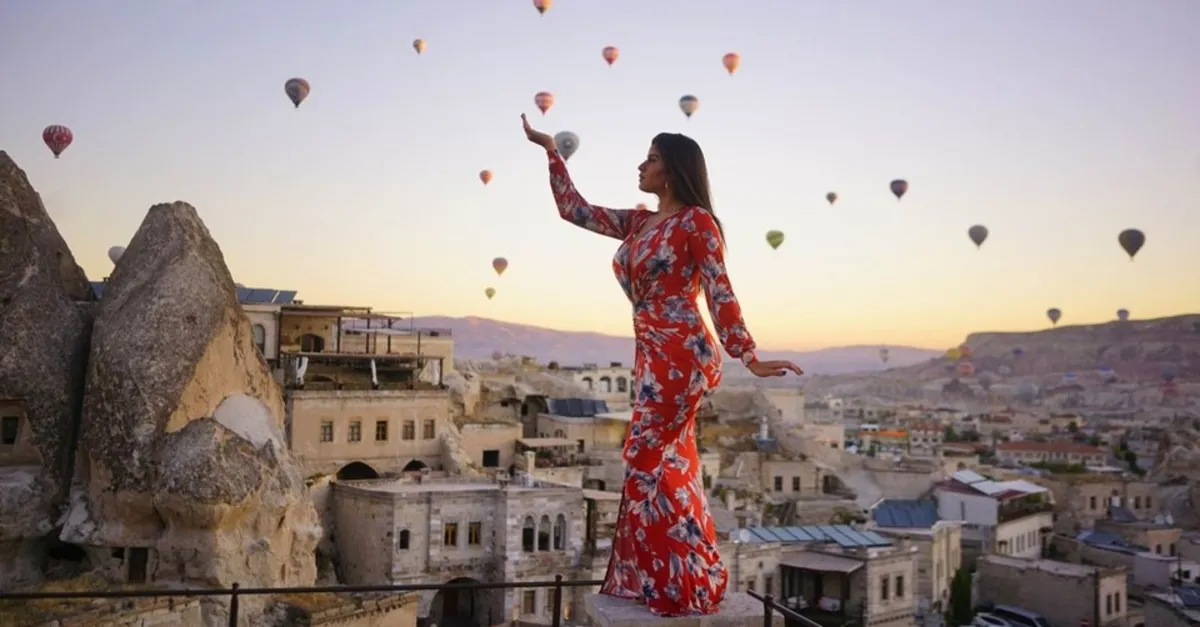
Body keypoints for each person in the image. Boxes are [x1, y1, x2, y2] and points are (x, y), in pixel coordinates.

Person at [521, 114, 803, 616]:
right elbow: (574, 210)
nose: (641, 165)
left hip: (682, 355)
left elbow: (719, 286)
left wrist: (748, 355)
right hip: (652, 355)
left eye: (650, 158)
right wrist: (551, 152)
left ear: (671, 170)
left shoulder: (696, 223)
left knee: (645, 459)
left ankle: (675, 583)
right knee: (671, 464)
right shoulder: (640, 221)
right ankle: (684, 577)